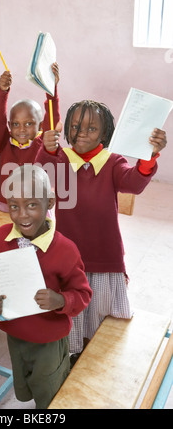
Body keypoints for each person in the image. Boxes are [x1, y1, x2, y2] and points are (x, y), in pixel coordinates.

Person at [35, 99, 167, 365]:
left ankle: (93, 353)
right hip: (70, 254)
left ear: (105, 134)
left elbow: (134, 183)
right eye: (75, 126)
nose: (81, 133)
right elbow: (42, 175)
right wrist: (45, 150)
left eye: (91, 129)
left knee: (99, 311)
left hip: (104, 254)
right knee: (74, 306)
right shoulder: (61, 158)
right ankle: (74, 352)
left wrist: (149, 155)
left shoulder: (113, 162)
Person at [0, 165, 92, 408]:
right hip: (15, 334)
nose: (22, 216)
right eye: (14, 206)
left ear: (49, 202)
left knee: (49, 392)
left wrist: (60, 300)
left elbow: (82, 294)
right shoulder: (0, 237)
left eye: (31, 205)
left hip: (49, 341)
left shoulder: (65, 249)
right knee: (26, 384)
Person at [0, 64, 60, 212]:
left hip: (35, 208)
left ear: (40, 126)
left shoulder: (42, 143)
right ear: (9, 125)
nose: (21, 129)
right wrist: (3, 91)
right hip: (4, 205)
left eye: (28, 123)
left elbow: (53, 120)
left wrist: (51, 92)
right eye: (15, 124)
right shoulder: (4, 142)